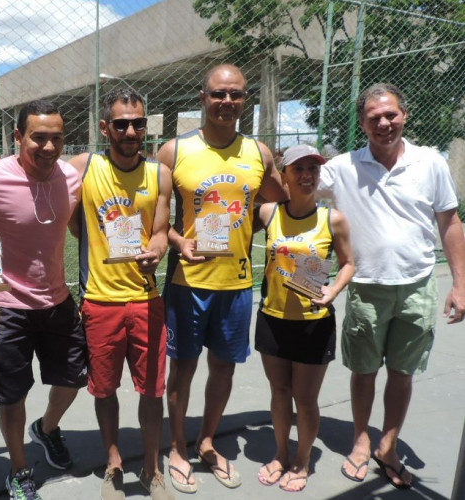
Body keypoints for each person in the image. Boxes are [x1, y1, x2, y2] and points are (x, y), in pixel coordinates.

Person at [319, 83, 465, 489]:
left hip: (417, 286)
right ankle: (360, 440)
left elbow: (449, 222)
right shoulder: (343, 167)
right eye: (374, 118)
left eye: (391, 115)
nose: (384, 123)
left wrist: (460, 284)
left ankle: (388, 445)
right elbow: (297, 185)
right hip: (366, 287)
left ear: (404, 115)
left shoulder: (430, 162)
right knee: (364, 371)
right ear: (362, 123)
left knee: (402, 372)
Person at [158, 63, 288, 491]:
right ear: (203, 98)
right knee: (182, 370)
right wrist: (178, 241)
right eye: (218, 93)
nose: (226, 101)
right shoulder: (174, 151)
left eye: (235, 94)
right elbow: (154, 220)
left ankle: (207, 441)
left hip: (236, 283)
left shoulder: (258, 153)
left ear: (244, 100)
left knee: (224, 369)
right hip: (188, 283)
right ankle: (177, 447)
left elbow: (282, 202)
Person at [0, 100, 86, 500]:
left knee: (75, 378)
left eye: (57, 138)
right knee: (14, 395)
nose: (49, 147)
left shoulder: (70, 177)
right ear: (18, 137)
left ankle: (47, 428)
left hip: (58, 300)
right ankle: (19, 470)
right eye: (38, 138)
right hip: (8, 308)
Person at [69, 88, 174, 500]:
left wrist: (157, 250)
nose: (130, 132)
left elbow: (160, 231)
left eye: (138, 123)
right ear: (104, 127)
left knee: (152, 390)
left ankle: (152, 469)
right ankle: (114, 465)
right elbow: (35, 171)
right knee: (105, 388)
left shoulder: (159, 174)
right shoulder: (84, 167)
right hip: (100, 301)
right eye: (121, 124)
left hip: (146, 300)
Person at [253, 144, 354, 492]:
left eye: (313, 169)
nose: (307, 176)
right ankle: (281, 453)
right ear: (284, 176)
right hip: (273, 318)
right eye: (298, 169)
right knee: (280, 392)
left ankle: (302, 460)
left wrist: (333, 290)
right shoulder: (268, 213)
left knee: (305, 398)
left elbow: (348, 263)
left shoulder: (332, 219)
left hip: (313, 323)